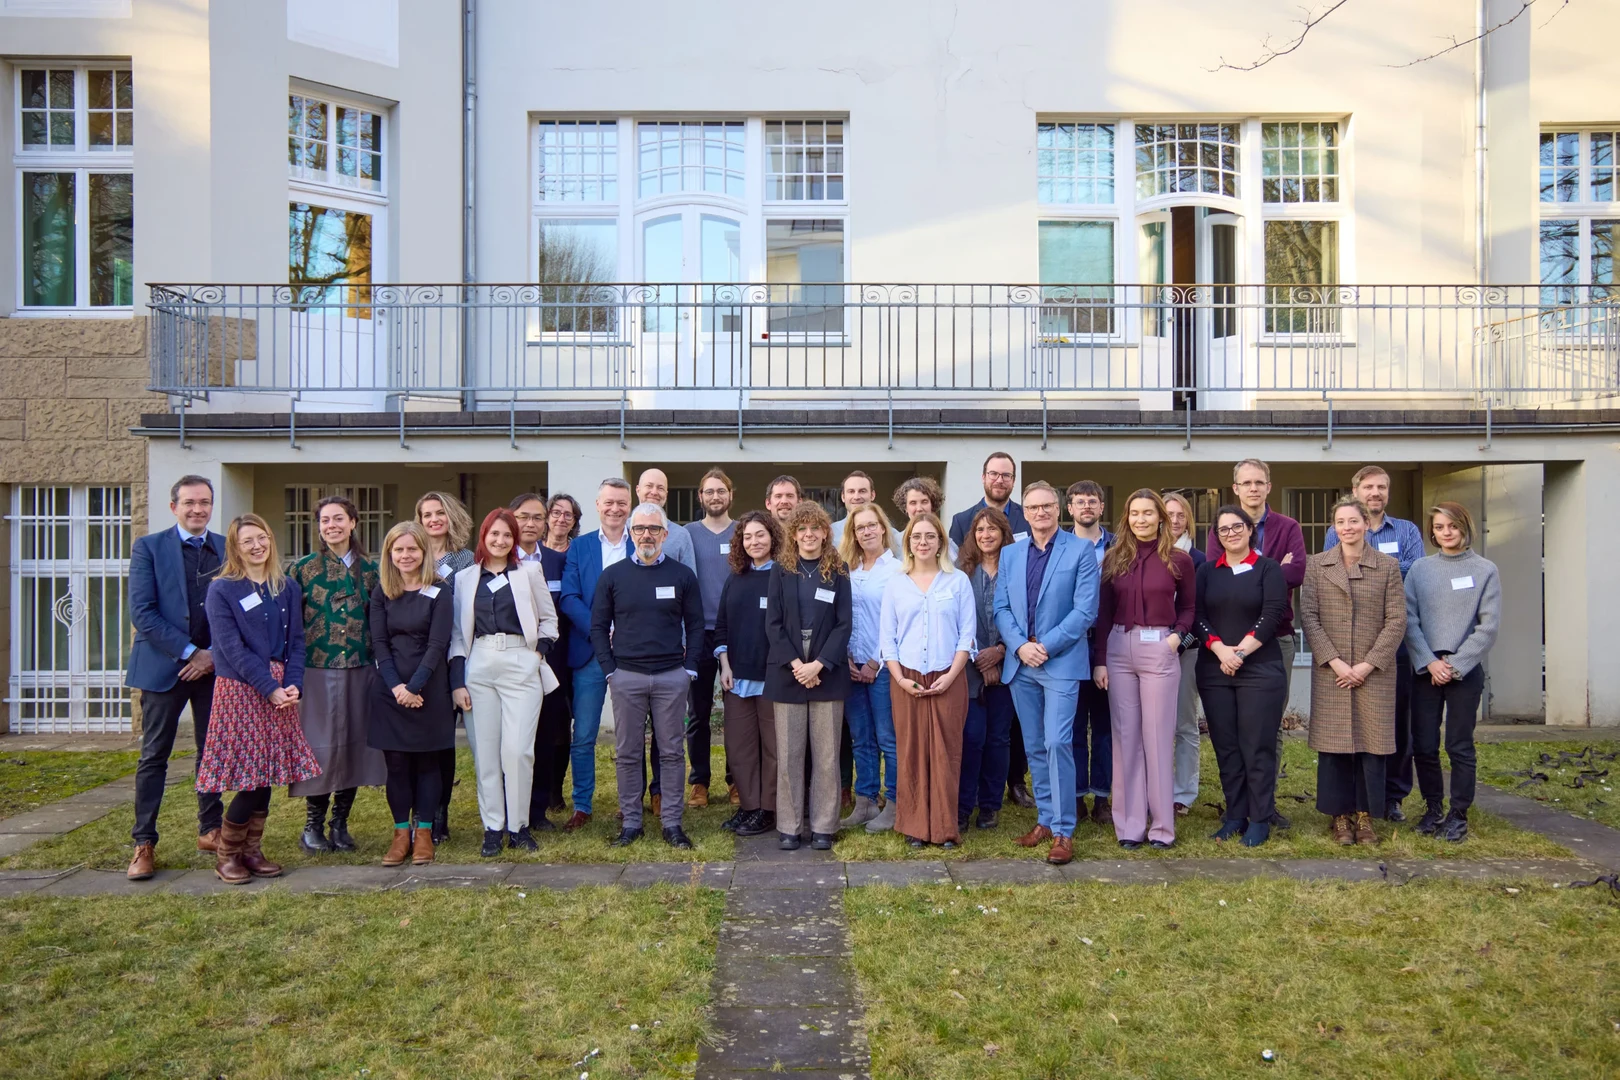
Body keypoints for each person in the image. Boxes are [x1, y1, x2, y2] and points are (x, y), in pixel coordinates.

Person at [195, 514, 318, 884]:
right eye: (246, 540)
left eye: (261, 537)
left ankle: (251, 851)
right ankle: (228, 854)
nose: (256, 546)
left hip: (281, 689)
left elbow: (297, 642)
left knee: (266, 772)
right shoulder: (222, 589)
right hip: (242, 689)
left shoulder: (287, 587)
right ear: (235, 547)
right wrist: (269, 687)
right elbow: (230, 649)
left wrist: (293, 683)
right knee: (249, 777)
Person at [993, 481, 1100, 866]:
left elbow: (1085, 611)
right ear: (1024, 512)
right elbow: (1001, 609)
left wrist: (1045, 646)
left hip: (1060, 662)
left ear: (1059, 509)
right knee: (1035, 745)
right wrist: (1021, 646)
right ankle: (1045, 819)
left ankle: (1064, 831)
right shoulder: (1011, 554)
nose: (1040, 513)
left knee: (1058, 742)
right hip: (1021, 664)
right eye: (1033, 507)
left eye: (1047, 506)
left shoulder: (1081, 550)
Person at [126, 476, 227, 881]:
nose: (197, 509)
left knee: (212, 752)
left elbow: (238, 609)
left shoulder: (226, 547)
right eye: (189, 503)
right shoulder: (148, 548)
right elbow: (143, 612)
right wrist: (191, 652)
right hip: (164, 667)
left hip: (214, 671)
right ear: (174, 507)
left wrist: (215, 656)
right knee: (154, 757)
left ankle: (210, 829)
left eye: (204, 502)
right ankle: (144, 842)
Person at [591, 503, 704, 849]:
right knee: (627, 752)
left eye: (654, 529)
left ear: (665, 535)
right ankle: (631, 822)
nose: (647, 535)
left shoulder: (682, 576)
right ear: (630, 533)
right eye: (640, 529)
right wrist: (610, 671)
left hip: (671, 676)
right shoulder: (613, 576)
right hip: (627, 676)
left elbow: (696, 625)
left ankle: (672, 822)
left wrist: (689, 670)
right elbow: (598, 626)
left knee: (671, 752)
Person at [449, 508, 560, 856]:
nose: (500, 540)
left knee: (518, 751)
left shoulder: (529, 571)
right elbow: (455, 634)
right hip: (479, 664)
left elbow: (549, 620)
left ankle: (519, 825)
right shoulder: (466, 577)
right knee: (486, 752)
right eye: (494, 534)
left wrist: (537, 656)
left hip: (520, 663)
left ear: (515, 540)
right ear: (483, 536)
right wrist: (458, 682)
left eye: (507, 535)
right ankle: (493, 828)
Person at [1203, 459, 1307, 828]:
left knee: (1265, 731)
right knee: (1229, 738)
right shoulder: (1218, 544)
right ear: (1236, 487)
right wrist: (1275, 567)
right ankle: (1239, 810)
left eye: (1259, 482)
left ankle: (1265, 807)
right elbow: (1219, 579)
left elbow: (1295, 573)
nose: (1253, 488)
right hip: (1222, 653)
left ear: (1268, 486)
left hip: (1272, 643)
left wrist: (1269, 568)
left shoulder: (1287, 526)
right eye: (1246, 482)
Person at [1299, 497, 1406, 847]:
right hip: (1333, 671)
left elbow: (1396, 621)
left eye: (1354, 521)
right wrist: (1335, 661)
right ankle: (1339, 816)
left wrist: (1366, 664)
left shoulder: (1388, 566)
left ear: (1365, 524)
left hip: (1373, 671)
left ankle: (1365, 816)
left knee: (1371, 745)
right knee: (1334, 746)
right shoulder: (1316, 565)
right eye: (1341, 522)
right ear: (1334, 527)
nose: (1347, 527)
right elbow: (1310, 618)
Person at [1092, 490, 1195, 849]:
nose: (1141, 520)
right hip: (1120, 650)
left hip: (1160, 650)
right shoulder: (1112, 559)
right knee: (1126, 740)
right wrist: (1101, 660)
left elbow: (1190, 609)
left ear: (1160, 519)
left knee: (1157, 738)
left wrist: (1176, 639)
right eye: (1134, 513)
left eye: (1148, 513)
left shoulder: (1179, 560)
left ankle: (1162, 828)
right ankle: (1130, 827)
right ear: (1126, 518)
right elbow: (1102, 614)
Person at [1325, 465, 1424, 822]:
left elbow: (1414, 571)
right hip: (1347, 644)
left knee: (1394, 721)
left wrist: (1376, 570)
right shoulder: (1334, 531)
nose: (1376, 493)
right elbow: (1330, 579)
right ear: (1356, 491)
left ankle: (1392, 797)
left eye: (1382, 487)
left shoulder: (1408, 530)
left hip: (1392, 640)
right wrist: (1382, 571)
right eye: (1368, 487)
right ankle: (1353, 798)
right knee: (1348, 722)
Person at [290, 496, 387, 855]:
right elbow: (292, 625)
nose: (331, 525)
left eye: (338, 519)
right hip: (316, 670)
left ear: (353, 523)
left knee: (354, 746)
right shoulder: (302, 570)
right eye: (324, 520)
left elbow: (379, 620)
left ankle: (340, 823)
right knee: (320, 746)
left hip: (361, 669)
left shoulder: (372, 570)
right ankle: (312, 825)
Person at [1404, 502, 1501, 843]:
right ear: (1432, 532)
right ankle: (1433, 809)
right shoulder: (1419, 570)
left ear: (1464, 528)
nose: (1446, 532)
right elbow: (1409, 619)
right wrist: (1429, 661)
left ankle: (1458, 814)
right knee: (1424, 745)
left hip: (1464, 672)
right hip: (1425, 670)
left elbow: (1487, 628)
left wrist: (1455, 665)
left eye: (1452, 526)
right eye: (1440, 527)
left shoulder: (1485, 570)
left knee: (1459, 745)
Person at [1194, 506, 1289, 848]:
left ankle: (1260, 817)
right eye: (1224, 530)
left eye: (1238, 527)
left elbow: (1272, 613)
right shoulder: (1205, 572)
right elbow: (1198, 616)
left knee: (1257, 745)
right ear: (1216, 536)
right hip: (1214, 668)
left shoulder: (1268, 568)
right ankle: (1235, 814)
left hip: (1260, 669)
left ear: (1251, 530)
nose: (1231, 533)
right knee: (1227, 746)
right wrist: (1221, 651)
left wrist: (1240, 653)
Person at [881, 512, 976, 848]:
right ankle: (915, 827)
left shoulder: (958, 581)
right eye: (916, 536)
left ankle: (945, 827)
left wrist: (951, 675)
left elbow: (967, 635)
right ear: (908, 543)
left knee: (947, 753)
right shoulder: (895, 583)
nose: (923, 542)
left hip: (948, 677)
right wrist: (899, 679)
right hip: (906, 679)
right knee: (911, 753)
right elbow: (887, 640)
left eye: (929, 536)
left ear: (940, 542)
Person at [767, 502, 853, 851]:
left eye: (815, 529)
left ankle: (823, 826)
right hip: (788, 669)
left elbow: (844, 624)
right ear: (793, 534)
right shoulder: (780, 570)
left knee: (827, 755)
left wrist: (818, 665)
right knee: (788, 754)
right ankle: (789, 826)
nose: (808, 535)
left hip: (826, 670)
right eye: (801, 529)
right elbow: (772, 624)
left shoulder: (839, 570)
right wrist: (797, 665)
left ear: (824, 533)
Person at [368, 522, 454, 867]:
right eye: (398, 549)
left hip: (429, 688)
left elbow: (438, 644)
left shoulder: (440, 591)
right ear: (390, 554)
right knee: (398, 765)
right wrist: (397, 688)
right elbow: (379, 643)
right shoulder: (381, 592)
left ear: (424, 552)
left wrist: (415, 687)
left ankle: (424, 835)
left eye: (412, 549)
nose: (406, 555)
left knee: (428, 763)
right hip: (390, 689)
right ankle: (401, 833)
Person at [557, 478, 635, 830]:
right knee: (585, 733)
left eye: (622, 502)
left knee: (630, 734)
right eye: (609, 502)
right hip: (589, 651)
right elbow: (569, 598)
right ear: (598, 505)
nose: (615, 508)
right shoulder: (580, 547)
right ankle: (582, 805)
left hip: (633, 652)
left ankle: (629, 802)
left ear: (629, 506)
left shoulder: (642, 543)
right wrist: (600, 629)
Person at [714, 510, 783, 837]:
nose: (754, 541)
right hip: (737, 678)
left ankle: (768, 810)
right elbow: (722, 626)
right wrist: (725, 666)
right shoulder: (736, 578)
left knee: (773, 748)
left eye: (761, 535)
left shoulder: (785, 576)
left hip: (773, 679)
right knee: (739, 748)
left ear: (773, 537)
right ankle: (749, 806)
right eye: (748, 536)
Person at [837, 502, 903, 832]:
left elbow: (896, 621)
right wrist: (847, 658)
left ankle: (894, 804)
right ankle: (865, 802)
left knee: (887, 737)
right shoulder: (847, 569)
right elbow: (841, 618)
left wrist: (876, 662)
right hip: (850, 666)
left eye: (871, 525)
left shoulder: (897, 570)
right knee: (861, 738)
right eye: (859, 527)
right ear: (853, 534)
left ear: (883, 528)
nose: (866, 531)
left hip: (884, 666)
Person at [415, 490, 475, 844]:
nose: (434, 520)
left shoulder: (465, 558)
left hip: (453, 654)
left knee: (444, 739)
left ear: (451, 517)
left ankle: (440, 814)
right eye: (427, 515)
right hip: (413, 655)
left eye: (440, 513)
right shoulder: (411, 552)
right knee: (416, 740)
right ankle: (418, 813)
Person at [957, 506, 1016, 832]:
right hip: (968, 668)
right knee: (971, 737)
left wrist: (1001, 652)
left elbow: (1024, 617)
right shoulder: (961, 572)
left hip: (1009, 668)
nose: (986, 535)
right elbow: (955, 622)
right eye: (980, 530)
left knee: (998, 739)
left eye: (992, 529)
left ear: (1003, 533)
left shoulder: (1016, 569)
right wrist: (981, 658)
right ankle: (964, 807)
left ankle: (991, 806)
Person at [685, 467, 737, 809]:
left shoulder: (744, 531)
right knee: (698, 712)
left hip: (737, 633)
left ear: (730, 495)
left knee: (737, 713)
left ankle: (738, 781)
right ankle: (699, 781)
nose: (715, 496)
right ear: (700, 496)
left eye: (721, 490)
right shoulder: (686, 534)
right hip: (697, 633)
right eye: (709, 491)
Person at [529, 493, 581, 830]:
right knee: (541, 718)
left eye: (568, 515)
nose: (561, 519)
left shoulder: (575, 554)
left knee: (563, 719)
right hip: (539, 645)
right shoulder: (534, 555)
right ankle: (539, 788)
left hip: (571, 645)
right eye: (556, 513)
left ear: (575, 521)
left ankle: (556, 789)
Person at [1067, 480, 1115, 826]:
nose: (1086, 507)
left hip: (1110, 644)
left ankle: (1102, 795)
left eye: (1092, 501)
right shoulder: (1060, 547)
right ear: (1069, 508)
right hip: (1070, 645)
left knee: (1104, 727)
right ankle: (1076, 795)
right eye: (1079, 501)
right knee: (1070, 726)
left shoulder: (1118, 547)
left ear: (1101, 508)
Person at [1162, 491, 1207, 816]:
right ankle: (1157, 786)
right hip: (1149, 651)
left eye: (1181, 515)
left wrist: (1181, 640)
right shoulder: (1146, 553)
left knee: (1185, 725)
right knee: (1153, 725)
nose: (1175, 520)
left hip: (1187, 650)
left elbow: (1200, 609)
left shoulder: (1200, 559)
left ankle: (1183, 794)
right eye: (1169, 514)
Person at [948, 452, 1029, 549]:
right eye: (993, 474)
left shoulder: (1028, 518)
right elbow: (954, 563)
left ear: (1013, 481)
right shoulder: (962, 522)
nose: (999, 480)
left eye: (1006, 475)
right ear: (983, 478)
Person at [830, 470, 902, 551]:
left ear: (872, 495)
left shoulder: (892, 535)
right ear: (843, 497)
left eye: (862, 491)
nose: (856, 497)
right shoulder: (831, 533)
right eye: (851, 491)